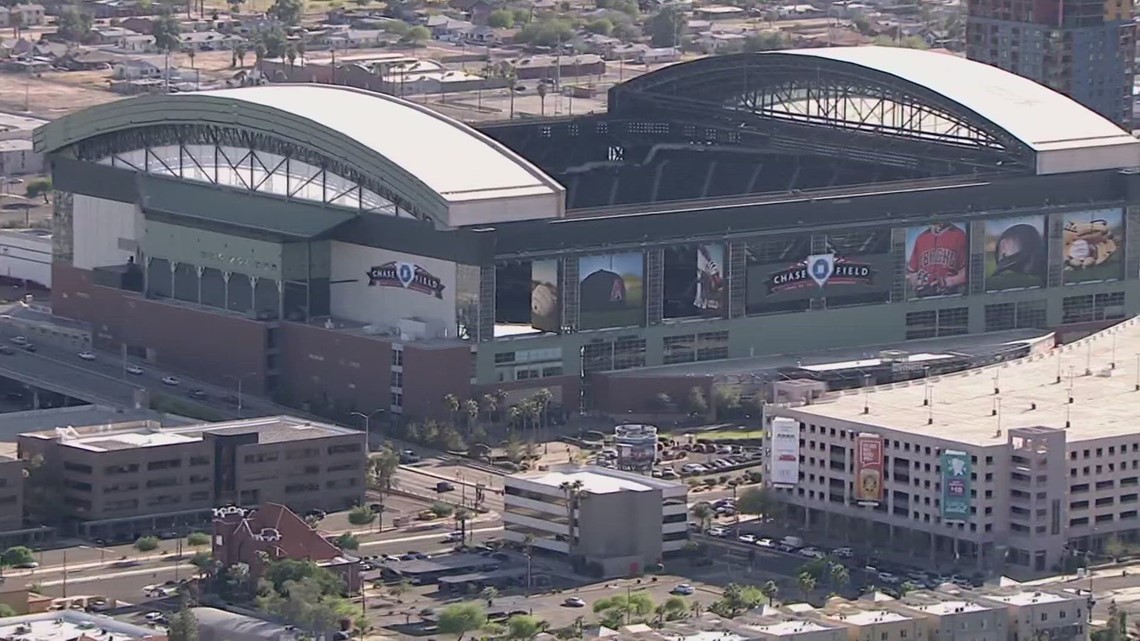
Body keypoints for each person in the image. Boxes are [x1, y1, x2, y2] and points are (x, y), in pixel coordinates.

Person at [906, 223, 968, 298]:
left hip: (950, 297)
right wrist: (917, 282)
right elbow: (911, 272)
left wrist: (947, 282)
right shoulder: (921, 238)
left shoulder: (959, 235)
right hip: (923, 298)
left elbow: (967, 273)